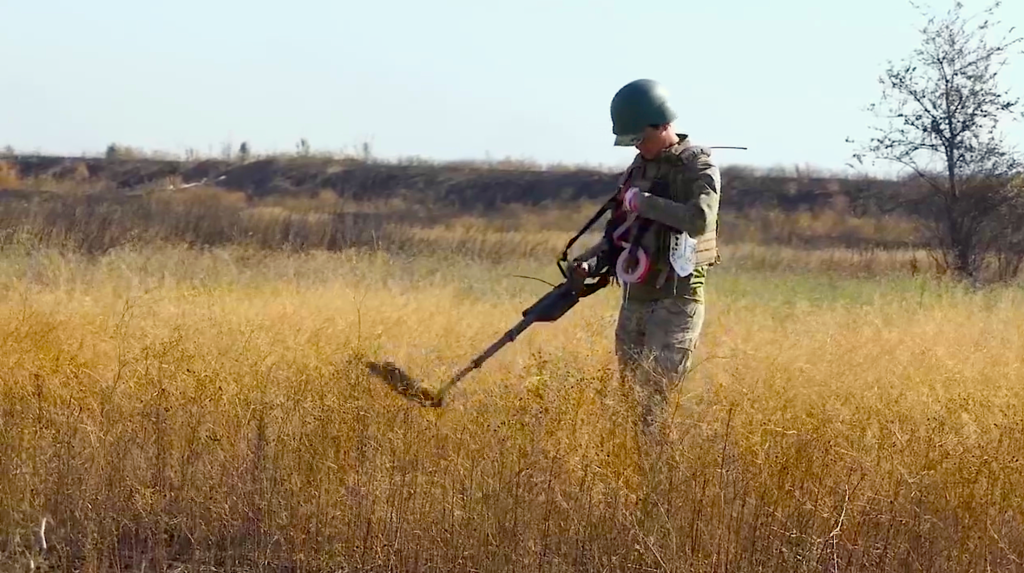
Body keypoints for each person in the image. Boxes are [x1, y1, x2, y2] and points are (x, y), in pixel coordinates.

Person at [573, 78, 722, 438]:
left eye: (641, 138)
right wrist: (589, 263)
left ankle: (661, 467)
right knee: (630, 396)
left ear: (663, 125)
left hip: (676, 299)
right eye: (633, 142)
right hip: (636, 298)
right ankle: (633, 462)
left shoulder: (697, 167)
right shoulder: (637, 169)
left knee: (656, 399)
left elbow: (699, 219)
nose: (638, 146)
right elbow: (618, 233)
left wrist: (645, 203)